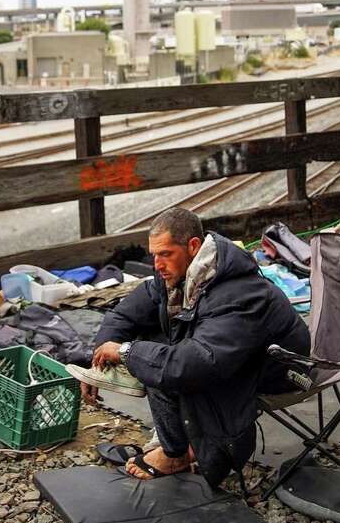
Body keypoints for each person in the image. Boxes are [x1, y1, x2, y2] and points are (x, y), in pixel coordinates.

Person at [67, 207, 310, 487]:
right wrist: (98, 360)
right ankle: (181, 442)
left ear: (193, 247)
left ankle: (177, 453)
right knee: (154, 341)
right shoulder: (178, 273)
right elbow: (124, 314)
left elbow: (194, 364)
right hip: (233, 357)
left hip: (277, 369)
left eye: (165, 254)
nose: (157, 264)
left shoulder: (237, 291)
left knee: (159, 360)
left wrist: (125, 352)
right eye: (154, 255)